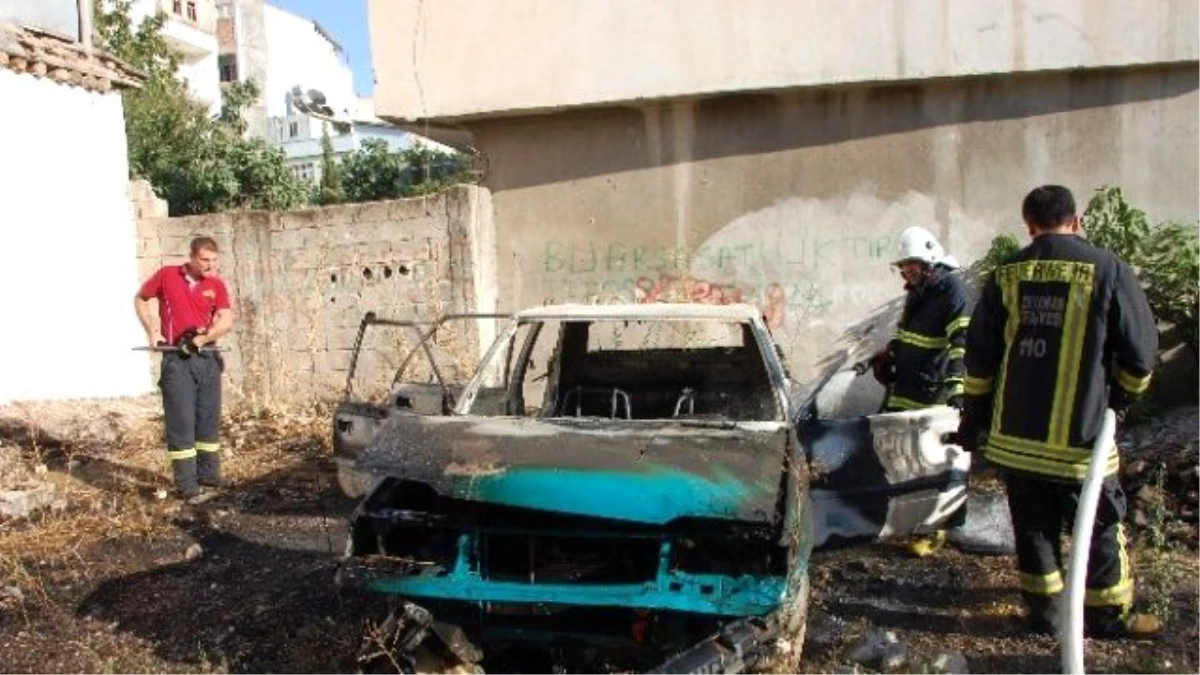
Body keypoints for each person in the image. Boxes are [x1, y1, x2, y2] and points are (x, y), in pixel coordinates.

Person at [958, 185, 1160, 639]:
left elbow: (980, 359)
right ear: (1078, 220)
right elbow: (1141, 356)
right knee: (1101, 526)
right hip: (1081, 443)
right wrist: (1121, 402)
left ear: (1028, 226)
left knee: (1034, 532)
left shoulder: (1007, 273)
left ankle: (1045, 616)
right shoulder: (1108, 269)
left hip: (1016, 444)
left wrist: (974, 421)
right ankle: (1107, 617)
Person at [866, 225, 972, 557]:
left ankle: (934, 530)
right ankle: (904, 519)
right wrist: (891, 354)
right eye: (902, 267)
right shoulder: (919, 292)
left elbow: (960, 345)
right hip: (908, 385)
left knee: (931, 461)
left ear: (928, 261)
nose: (904, 272)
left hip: (934, 390)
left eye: (909, 265)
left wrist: (957, 390)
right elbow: (908, 334)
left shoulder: (952, 291)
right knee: (900, 454)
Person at [134, 236, 236, 499]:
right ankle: (187, 484)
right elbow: (141, 298)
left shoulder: (216, 284)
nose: (209, 266)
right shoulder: (168, 276)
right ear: (191, 257)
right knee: (181, 421)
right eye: (204, 260)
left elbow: (225, 319)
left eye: (213, 261)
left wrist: (202, 338)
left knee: (208, 419)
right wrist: (153, 331)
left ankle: (210, 476)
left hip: (207, 358)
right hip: (176, 360)